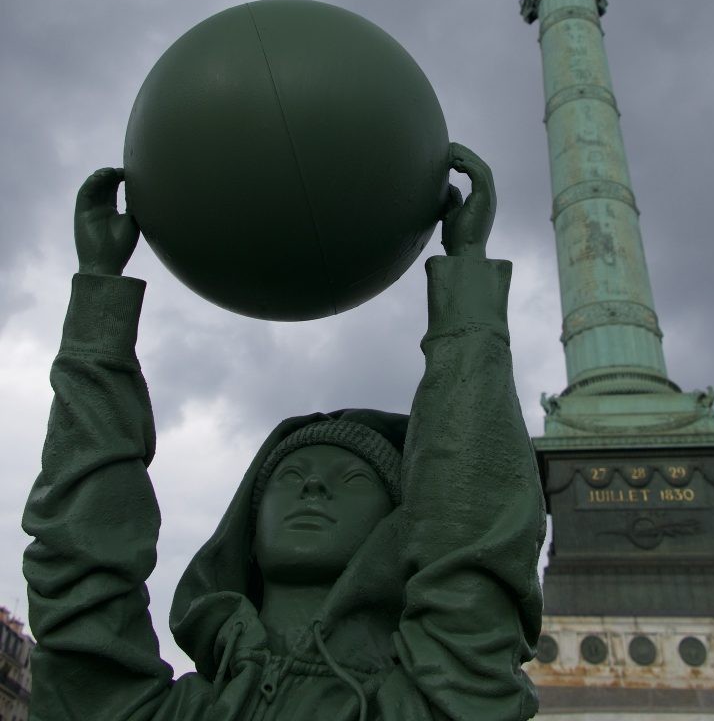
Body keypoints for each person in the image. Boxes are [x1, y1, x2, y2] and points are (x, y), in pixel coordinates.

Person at [23, 145, 545, 721]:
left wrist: (466, 275)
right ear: (248, 527)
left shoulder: (426, 705)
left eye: (349, 478)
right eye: (289, 476)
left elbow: (471, 513)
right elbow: (81, 560)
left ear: (397, 530)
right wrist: (99, 294)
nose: (312, 489)